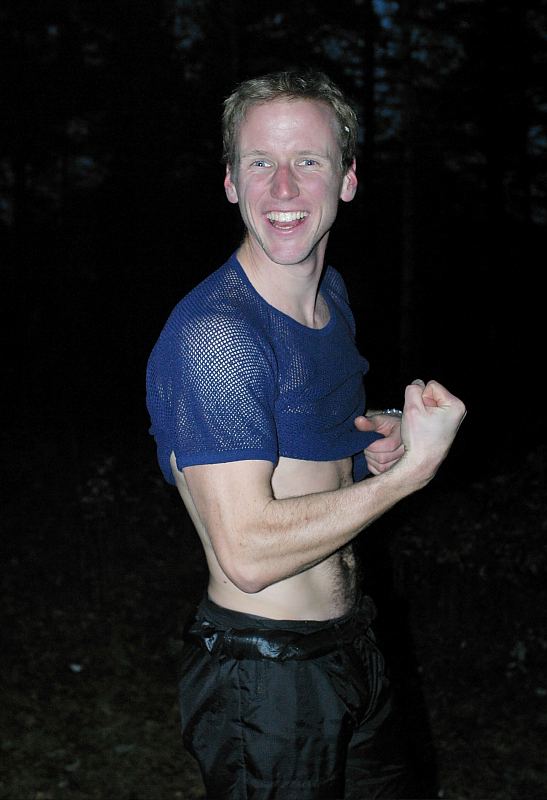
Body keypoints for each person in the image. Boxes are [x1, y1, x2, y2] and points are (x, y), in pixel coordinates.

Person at [146, 69, 466, 800]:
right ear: (231, 182)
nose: (283, 187)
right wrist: (409, 474)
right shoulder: (217, 337)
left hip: (353, 644)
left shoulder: (331, 297)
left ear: (347, 179)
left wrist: (377, 446)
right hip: (264, 679)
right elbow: (248, 554)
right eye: (260, 162)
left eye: (308, 161)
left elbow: (315, 450)